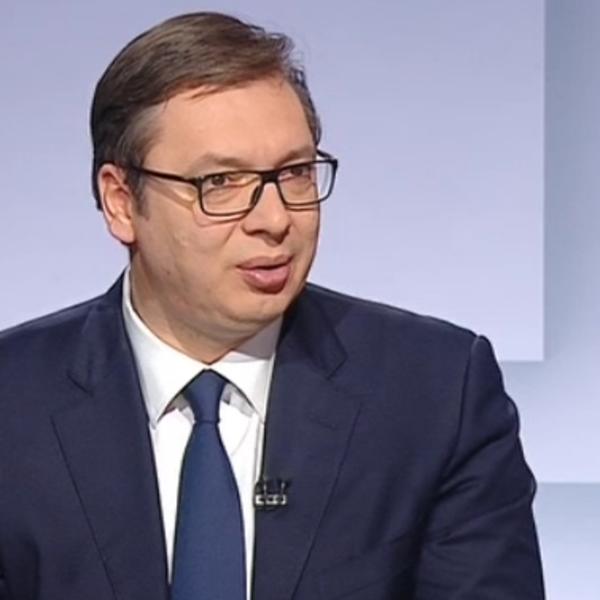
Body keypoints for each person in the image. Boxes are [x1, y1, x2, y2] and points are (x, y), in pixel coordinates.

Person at [0, 11, 545, 600]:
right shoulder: (13, 402)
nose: (275, 219)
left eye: (296, 173)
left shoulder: (436, 394)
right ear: (121, 202)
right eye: (220, 183)